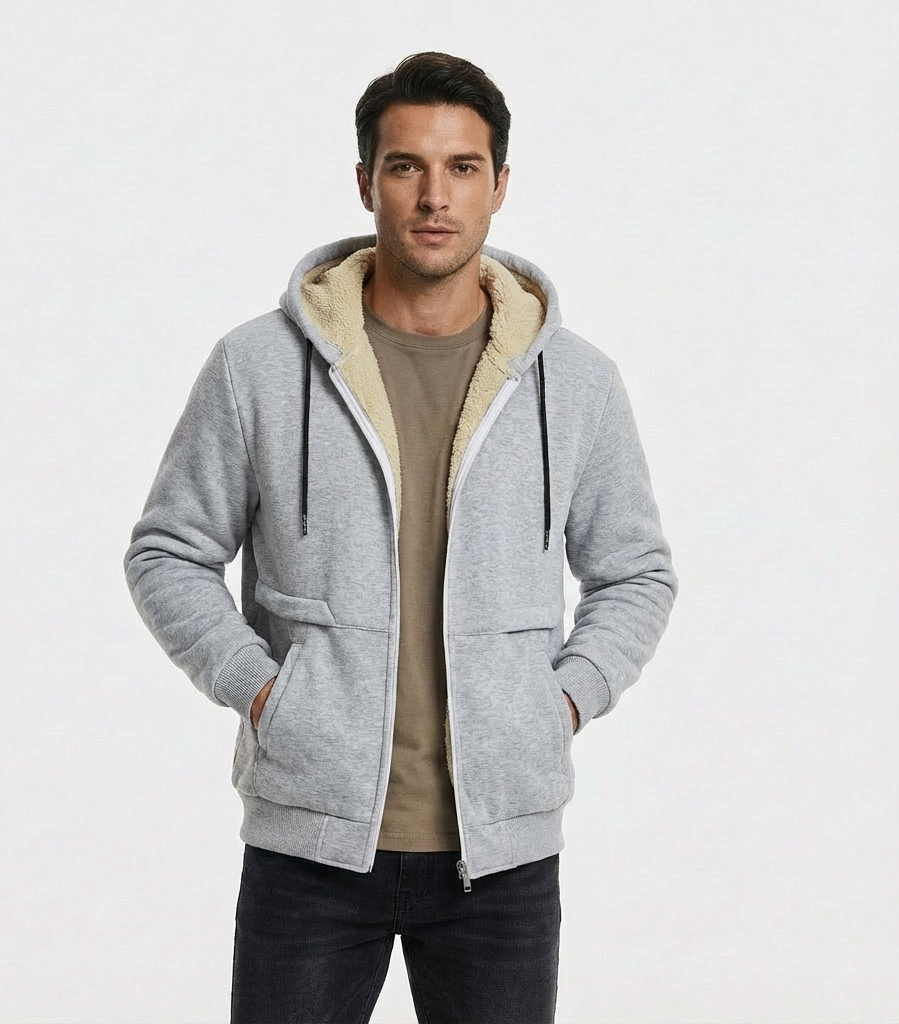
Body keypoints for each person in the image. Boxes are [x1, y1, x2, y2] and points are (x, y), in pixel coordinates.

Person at [125, 51, 677, 1024]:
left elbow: (635, 573)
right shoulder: (259, 366)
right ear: (364, 180)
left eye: (462, 166)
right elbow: (168, 552)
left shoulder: (576, 383)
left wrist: (561, 701)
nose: (434, 195)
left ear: (499, 184)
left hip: (500, 856)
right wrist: (263, 690)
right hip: (309, 847)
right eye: (406, 166)